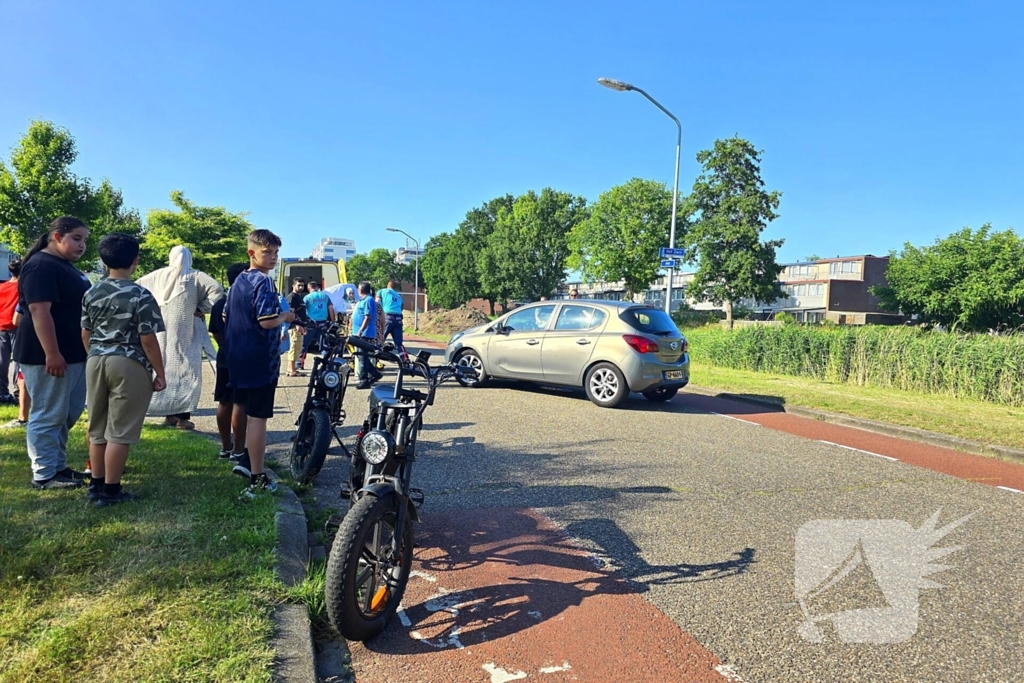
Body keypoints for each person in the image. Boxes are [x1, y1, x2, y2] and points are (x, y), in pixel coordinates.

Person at [81, 234, 167, 507]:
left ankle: (95, 485)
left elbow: (85, 332)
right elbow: (148, 340)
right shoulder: (140, 294)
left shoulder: (91, 292)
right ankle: (111, 490)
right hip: (128, 362)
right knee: (120, 430)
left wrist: (94, 355)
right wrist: (160, 373)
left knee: (97, 427)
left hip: (95, 360)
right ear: (135, 260)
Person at [14, 217, 91, 489]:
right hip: (45, 353)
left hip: (73, 353)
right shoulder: (40, 266)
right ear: (57, 236)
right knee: (49, 413)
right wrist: (52, 353)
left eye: (85, 240)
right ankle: (44, 474)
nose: (82, 245)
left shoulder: (64, 266)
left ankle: (58, 466)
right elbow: (38, 310)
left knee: (67, 412)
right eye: (77, 238)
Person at [225, 229, 294, 498]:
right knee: (258, 419)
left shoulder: (238, 281)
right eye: (267, 252)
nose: (273, 257)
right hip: (260, 358)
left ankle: (242, 457)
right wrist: (285, 316)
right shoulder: (263, 282)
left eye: (276, 252)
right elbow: (266, 320)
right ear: (251, 253)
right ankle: (258, 475)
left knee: (241, 407)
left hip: (237, 356)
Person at [137, 246, 224, 429]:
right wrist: (202, 308)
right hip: (186, 332)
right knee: (186, 370)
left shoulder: (157, 276)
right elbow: (217, 289)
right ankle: (183, 418)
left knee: (164, 368)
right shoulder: (195, 276)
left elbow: (136, 287)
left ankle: (168, 415)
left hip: (159, 330)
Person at [209, 263, 249, 461]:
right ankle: (239, 449)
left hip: (224, 354)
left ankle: (225, 446)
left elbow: (215, 332)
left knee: (224, 401)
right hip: (243, 356)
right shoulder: (246, 302)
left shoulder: (219, 304)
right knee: (240, 402)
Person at [0, 257, 23, 404]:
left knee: (2, 361)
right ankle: (18, 392)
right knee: (18, 361)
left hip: (1, 325)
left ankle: (2, 392)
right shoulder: (23, 287)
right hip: (17, 326)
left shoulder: (2, 287)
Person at [351, 281, 382, 389]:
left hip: (365, 333)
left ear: (361, 290)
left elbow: (367, 317)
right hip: (360, 333)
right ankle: (374, 374)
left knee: (362, 357)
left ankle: (364, 380)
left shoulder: (368, 300)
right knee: (361, 356)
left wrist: (360, 331)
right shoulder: (363, 300)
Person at [301, 280, 334, 363]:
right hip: (323, 323)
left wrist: (302, 322)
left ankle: (299, 363)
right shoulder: (325, 296)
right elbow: (331, 309)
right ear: (316, 287)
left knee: (305, 344)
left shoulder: (307, 297)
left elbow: (302, 310)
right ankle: (328, 362)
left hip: (311, 324)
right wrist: (333, 322)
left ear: (309, 288)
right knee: (324, 344)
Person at [285, 278, 307, 377]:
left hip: (301, 326)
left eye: (302, 285)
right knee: (294, 347)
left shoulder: (299, 297)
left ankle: (291, 369)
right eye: (299, 285)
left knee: (297, 348)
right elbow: (290, 312)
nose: (301, 287)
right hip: (294, 327)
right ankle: (291, 370)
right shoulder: (292, 297)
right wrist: (296, 324)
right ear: (293, 286)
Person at [377, 279, 405, 352]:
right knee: (399, 344)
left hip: (387, 318)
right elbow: (401, 308)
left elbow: (377, 303)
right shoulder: (399, 296)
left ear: (387, 285)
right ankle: (405, 360)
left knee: (380, 340)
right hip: (398, 319)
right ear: (395, 288)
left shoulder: (381, 291)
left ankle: (375, 359)